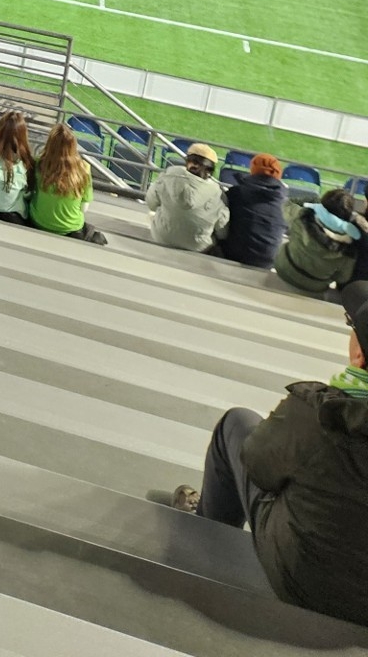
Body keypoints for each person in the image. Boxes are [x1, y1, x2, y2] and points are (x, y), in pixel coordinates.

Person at [169, 283, 368, 629]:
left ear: (359, 356)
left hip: (304, 584)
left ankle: (204, 535)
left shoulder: (318, 413)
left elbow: (257, 464)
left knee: (236, 424)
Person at [273, 190, 364, 296]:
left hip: (284, 269)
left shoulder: (302, 216)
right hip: (315, 286)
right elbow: (342, 278)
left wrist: (313, 200)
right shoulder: (349, 248)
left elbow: (286, 204)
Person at [27, 122, 105, 243]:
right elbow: (84, 208)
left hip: (38, 222)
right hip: (71, 227)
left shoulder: (39, 163)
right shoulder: (84, 168)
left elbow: (29, 192)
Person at [147, 143, 228, 252]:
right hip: (198, 246)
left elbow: (151, 204)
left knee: (152, 215)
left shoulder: (168, 177)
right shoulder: (218, 193)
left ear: (187, 161)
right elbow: (222, 232)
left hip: (162, 237)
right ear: (210, 169)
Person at [214, 153, 287, 267]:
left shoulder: (236, 193)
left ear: (253, 169)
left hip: (234, 255)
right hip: (267, 261)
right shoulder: (285, 204)